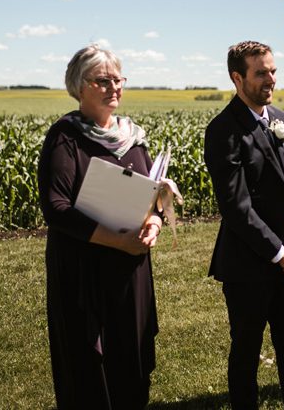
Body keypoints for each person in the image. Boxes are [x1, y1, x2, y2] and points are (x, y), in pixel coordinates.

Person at [37, 45, 165, 409]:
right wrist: (117, 241)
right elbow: (56, 208)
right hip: (85, 271)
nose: (114, 88)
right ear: (80, 86)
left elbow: (154, 196)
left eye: (118, 79)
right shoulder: (65, 138)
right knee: (89, 371)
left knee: (132, 361)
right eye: (103, 81)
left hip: (131, 271)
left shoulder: (133, 138)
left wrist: (154, 222)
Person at [204, 41, 284, 410]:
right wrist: (280, 253)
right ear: (237, 78)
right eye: (260, 72)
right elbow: (237, 207)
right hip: (248, 264)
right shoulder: (223, 130)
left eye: (272, 71)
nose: (270, 79)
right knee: (246, 354)